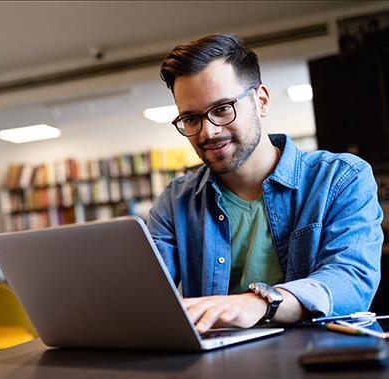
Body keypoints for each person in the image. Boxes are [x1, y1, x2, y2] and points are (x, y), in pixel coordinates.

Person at [148, 34, 384, 334]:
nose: (208, 132)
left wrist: (260, 302)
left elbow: (351, 279)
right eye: (192, 119)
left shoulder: (341, 177)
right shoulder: (175, 201)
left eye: (222, 109)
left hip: (323, 361)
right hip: (215, 369)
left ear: (261, 101)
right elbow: (146, 295)